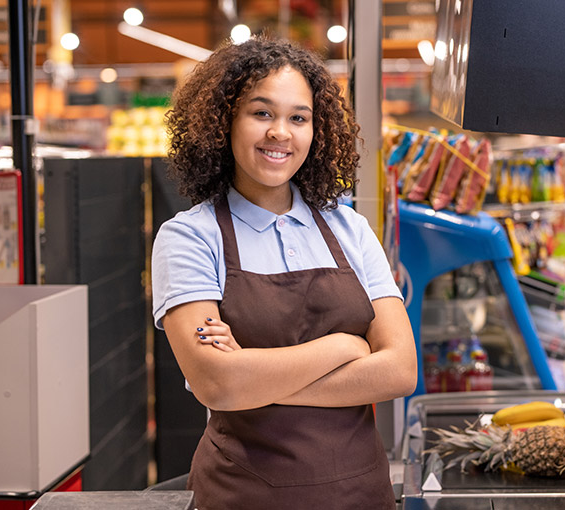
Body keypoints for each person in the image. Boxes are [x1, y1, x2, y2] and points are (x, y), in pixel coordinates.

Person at [151, 36, 417, 510]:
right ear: (223, 122)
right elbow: (218, 384)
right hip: (242, 495)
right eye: (262, 113)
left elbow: (399, 371)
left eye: (298, 117)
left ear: (317, 130)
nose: (281, 133)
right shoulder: (190, 237)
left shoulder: (348, 228)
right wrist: (345, 348)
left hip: (360, 493)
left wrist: (255, 378)